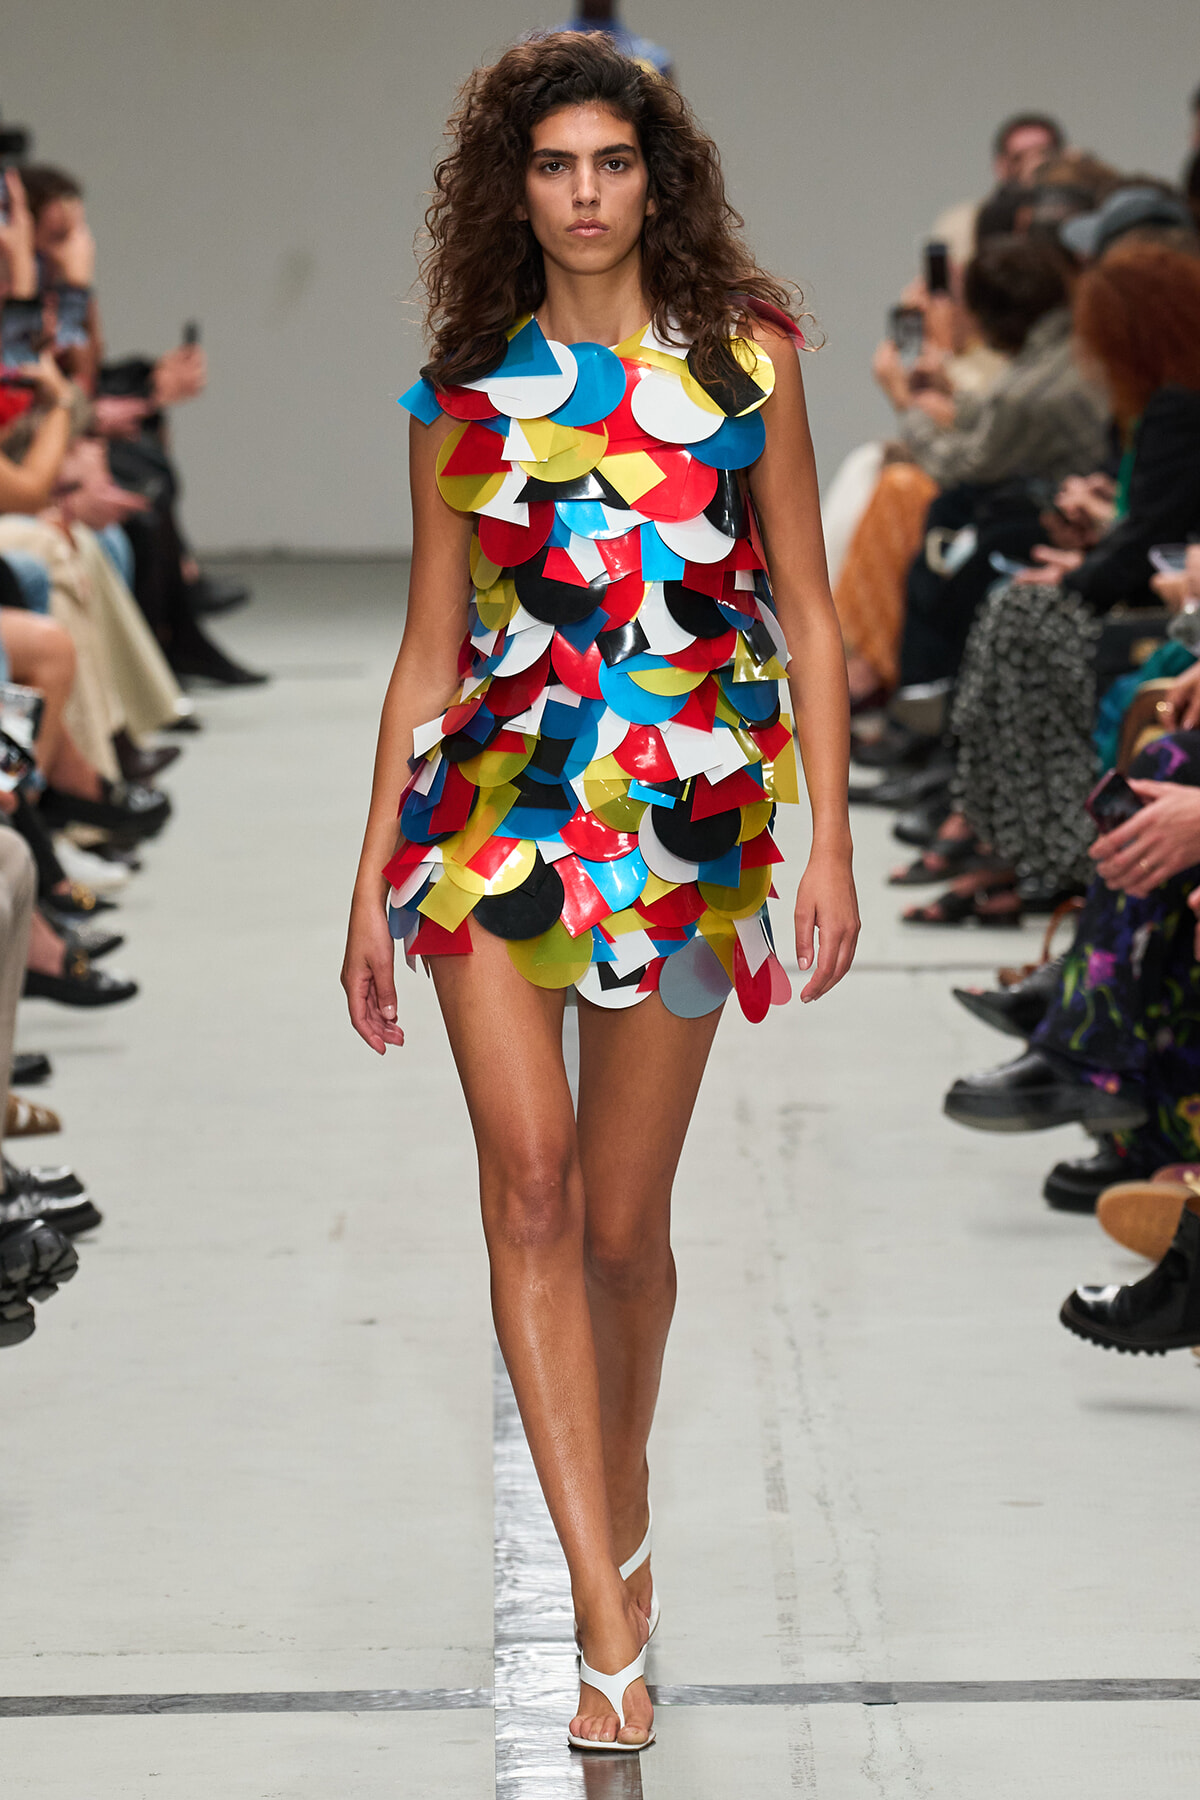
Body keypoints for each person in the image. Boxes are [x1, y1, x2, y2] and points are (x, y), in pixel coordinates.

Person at [342, 32, 858, 1753]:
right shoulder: (462, 396)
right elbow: (430, 653)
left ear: (655, 179)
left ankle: (614, 1519)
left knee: (630, 1236)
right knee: (537, 1194)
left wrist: (833, 845)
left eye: (608, 164)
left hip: (690, 830)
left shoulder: (748, 370)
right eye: (552, 165)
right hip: (497, 817)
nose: (580, 194)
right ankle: (604, 1617)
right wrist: (369, 879)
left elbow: (807, 612)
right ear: (516, 186)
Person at [932, 112, 1066, 267]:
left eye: (1044, 155)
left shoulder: (1078, 215)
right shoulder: (963, 222)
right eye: (1019, 158)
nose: (1034, 166)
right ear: (1000, 165)